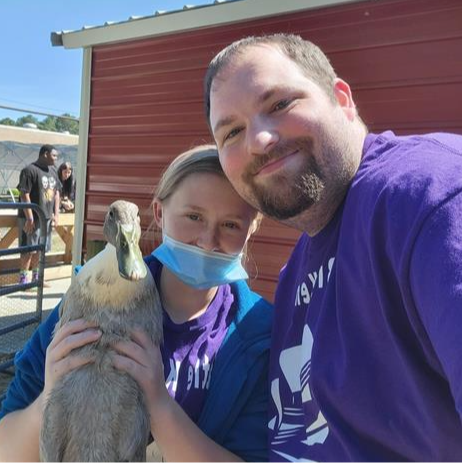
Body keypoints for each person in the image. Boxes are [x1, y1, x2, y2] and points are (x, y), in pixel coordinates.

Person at [204, 33, 462, 462]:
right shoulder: (294, 275)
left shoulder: (429, 199)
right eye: (232, 132)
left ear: (342, 99)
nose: (258, 141)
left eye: (279, 105)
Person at [0, 145, 273, 463]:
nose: (207, 240)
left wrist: (159, 405)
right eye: (193, 216)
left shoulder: (260, 334)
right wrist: (47, 400)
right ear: (159, 213)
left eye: (231, 224)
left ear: (252, 226)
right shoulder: (89, 301)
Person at [17, 144, 60, 286]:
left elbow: (56, 193)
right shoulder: (29, 170)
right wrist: (29, 218)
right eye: (54, 155)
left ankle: (36, 279)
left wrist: (56, 214)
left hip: (46, 218)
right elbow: (24, 194)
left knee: (41, 249)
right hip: (31, 219)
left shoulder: (53, 171)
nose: (56, 158)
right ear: (45, 154)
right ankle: (23, 281)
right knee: (28, 248)